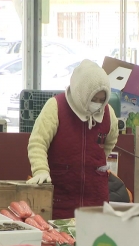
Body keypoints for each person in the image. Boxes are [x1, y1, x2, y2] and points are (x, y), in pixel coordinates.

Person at [26, 59, 120, 219]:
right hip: (60, 199)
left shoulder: (108, 112)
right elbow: (37, 142)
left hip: (96, 200)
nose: (97, 104)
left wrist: (97, 160)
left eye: (101, 100)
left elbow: (111, 139)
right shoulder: (55, 107)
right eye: (93, 99)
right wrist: (40, 170)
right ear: (82, 92)